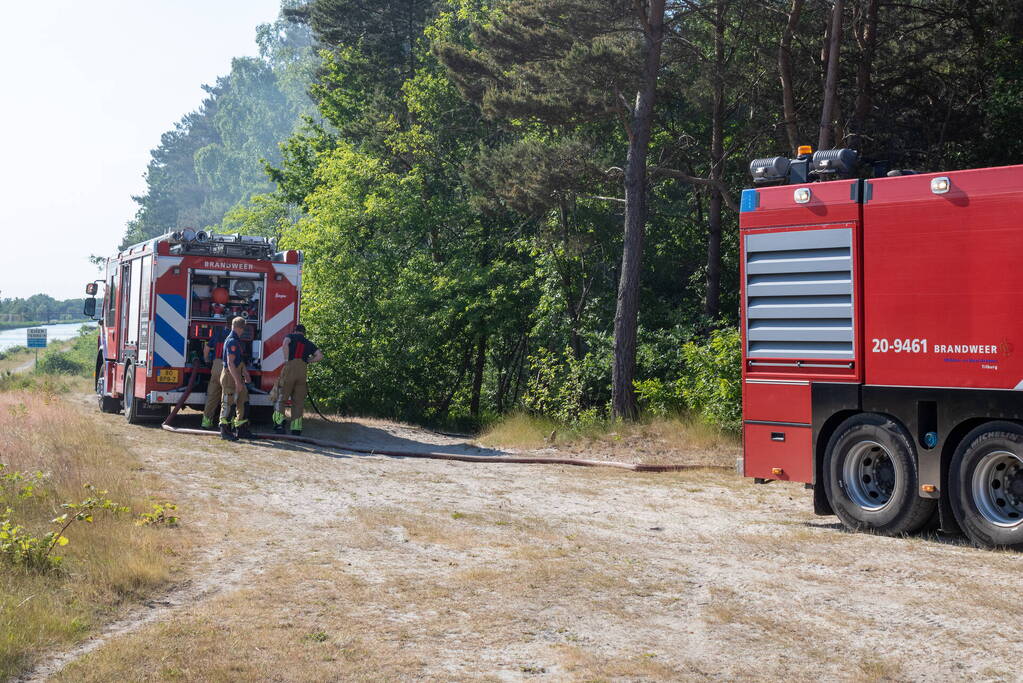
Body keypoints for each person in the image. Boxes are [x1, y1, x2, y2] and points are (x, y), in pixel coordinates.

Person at [270, 323, 323, 436]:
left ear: (295, 331)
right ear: (304, 333)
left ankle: (279, 425)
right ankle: (296, 429)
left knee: (281, 398)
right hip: (302, 371)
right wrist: (308, 361)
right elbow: (319, 356)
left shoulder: (290, 336)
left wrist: (286, 359)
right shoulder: (308, 343)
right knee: (298, 402)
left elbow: (285, 344)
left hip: (290, 368)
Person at [219, 316, 253, 441]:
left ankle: (241, 429)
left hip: (236, 374)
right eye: (243, 328)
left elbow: (239, 361)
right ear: (240, 328)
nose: (243, 331)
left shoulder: (236, 340)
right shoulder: (232, 341)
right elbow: (231, 363)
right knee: (228, 403)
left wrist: (245, 373)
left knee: (243, 401)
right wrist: (238, 381)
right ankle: (225, 430)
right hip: (230, 376)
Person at [201, 325, 230, 429]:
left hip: (216, 365)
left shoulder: (218, 334)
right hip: (228, 367)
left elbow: (207, 348)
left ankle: (206, 422)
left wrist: (207, 360)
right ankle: (224, 423)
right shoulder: (234, 336)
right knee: (227, 396)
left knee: (212, 396)